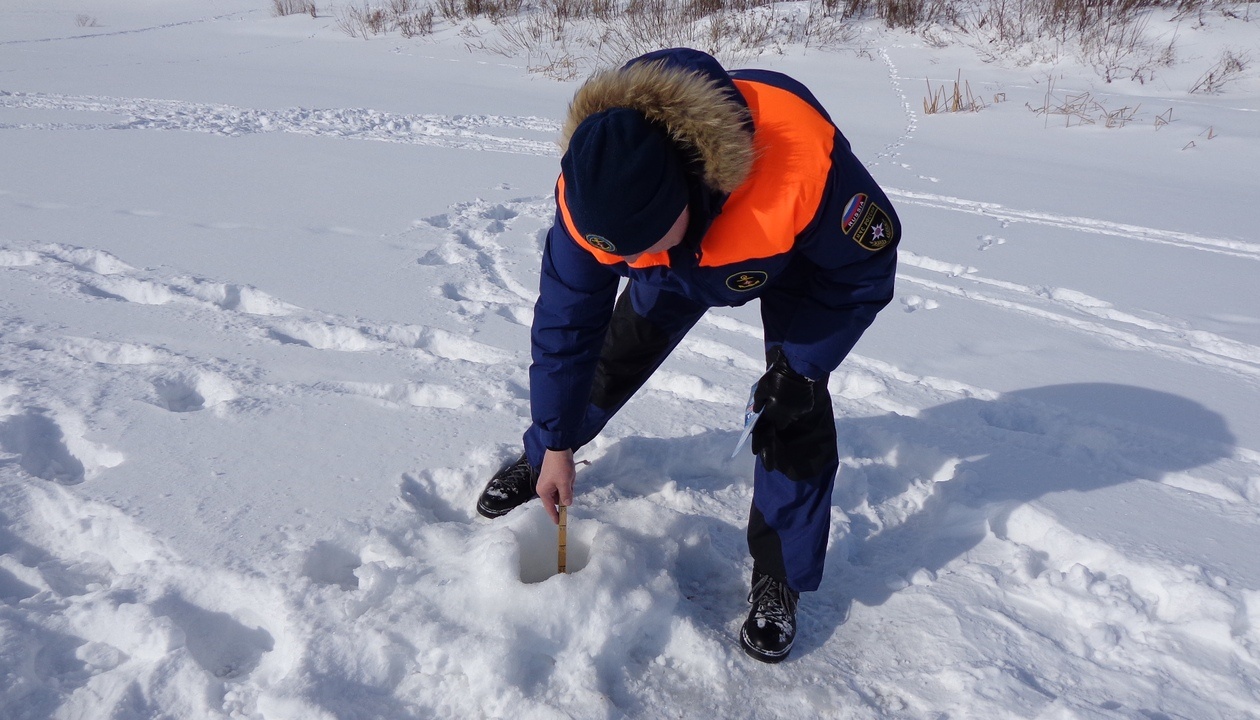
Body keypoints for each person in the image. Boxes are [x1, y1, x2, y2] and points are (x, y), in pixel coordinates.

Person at [476, 47, 899, 663]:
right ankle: (544, 455)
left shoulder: (803, 164)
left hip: (793, 260)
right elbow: (568, 324)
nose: (627, 268)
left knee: (790, 409)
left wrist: (802, 366)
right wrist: (555, 440)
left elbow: (864, 266)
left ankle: (778, 573)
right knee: (607, 355)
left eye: (639, 248)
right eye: (617, 258)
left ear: (683, 192)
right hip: (688, 260)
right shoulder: (590, 190)